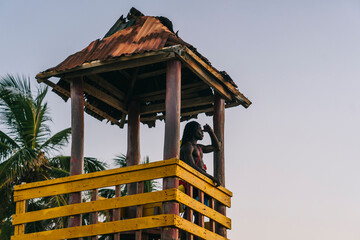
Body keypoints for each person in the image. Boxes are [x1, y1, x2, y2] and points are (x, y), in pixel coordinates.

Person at [180, 121, 221, 187]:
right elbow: (191, 166)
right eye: (199, 129)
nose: (202, 132)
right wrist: (210, 177)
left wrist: (210, 131)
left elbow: (216, 147)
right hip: (193, 181)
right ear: (192, 131)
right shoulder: (187, 146)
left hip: (201, 179)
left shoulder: (199, 147)